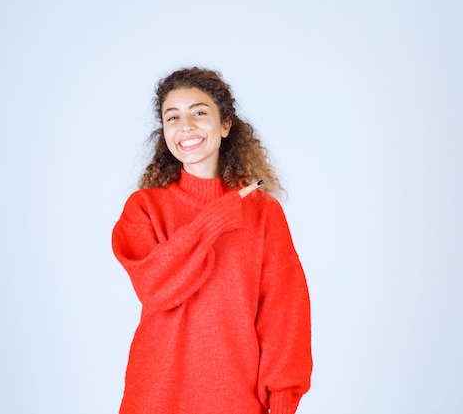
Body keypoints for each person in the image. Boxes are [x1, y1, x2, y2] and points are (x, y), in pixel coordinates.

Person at [111, 67, 312, 414]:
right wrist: (216, 219)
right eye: (172, 117)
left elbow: (285, 313)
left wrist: (282, 399)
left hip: (235, 398)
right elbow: (155, 288)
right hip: (156, 395)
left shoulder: (263, 213)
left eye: (199, 113)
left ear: (225, 125)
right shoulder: (144, 208)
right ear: (164, 132)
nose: (185, 126)